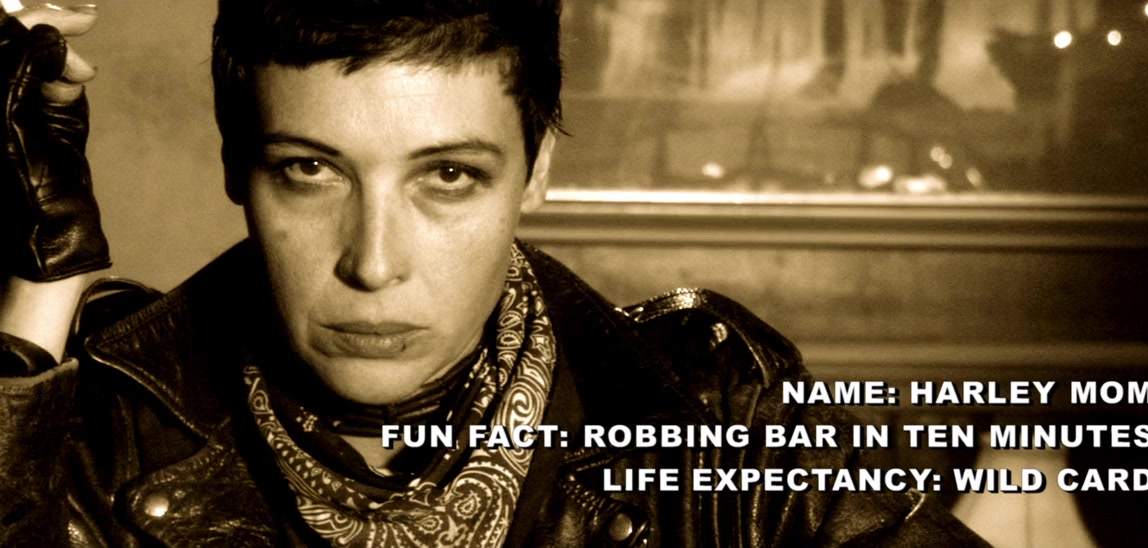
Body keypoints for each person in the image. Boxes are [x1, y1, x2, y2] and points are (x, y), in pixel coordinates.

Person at [0, 1, 988, 546]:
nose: (373, 263)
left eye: (448, 176)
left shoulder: (719, 420)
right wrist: (37, 284)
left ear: (537, 165)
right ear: (235, 163)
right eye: (308, 170)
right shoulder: (99, 433)